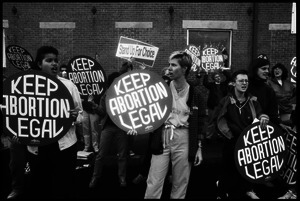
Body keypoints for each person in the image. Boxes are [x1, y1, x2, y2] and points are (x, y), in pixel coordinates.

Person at [144, 50, 205, 199]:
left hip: (184, 137)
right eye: (169, 65)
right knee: (154, 180)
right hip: (163, 136)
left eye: (173, 65)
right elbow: (147, 111)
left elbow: (201, 122)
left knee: (180, 182)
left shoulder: (196, 93)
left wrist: (199, 148)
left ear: (184, 69)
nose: (169, 68)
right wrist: (137, 126)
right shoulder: (161, 88)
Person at [27, 46, 83, 199]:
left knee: (62, 186)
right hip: (37, 147)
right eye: (49, 60)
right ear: (39, 64)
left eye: (56, 61)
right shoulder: (27, 86)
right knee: (41, 186)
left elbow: (81, 115)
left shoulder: (69, 86)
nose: (54, 64)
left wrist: (74, 117)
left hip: (64, 147)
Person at [214, 69, 269, 199]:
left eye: (246, 81)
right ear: (234, 83)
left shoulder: (253, 100)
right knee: (228, 168)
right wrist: (228, 135)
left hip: (248, 142)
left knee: (248, 167)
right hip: (231, 141)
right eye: (241, 81)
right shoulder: (226, 100)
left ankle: (248, 189)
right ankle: (222, 192)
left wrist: (263, 117)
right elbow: (218, 119)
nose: (244, 83)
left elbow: (261, 113)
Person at [89, 61, 133, 189]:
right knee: (101, 154)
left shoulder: (126, 93)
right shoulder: (106, 95)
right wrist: (95, 106)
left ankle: (122, 179)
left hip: (121, 128)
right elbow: (102, 112)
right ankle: (95, 177)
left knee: (122, 155)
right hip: (108, 127)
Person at [203, 68, 231, 141]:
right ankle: (208, 136)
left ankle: (221, 135)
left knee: (222, 121)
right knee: (211, 121)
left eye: (218, 76)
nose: (218, 78)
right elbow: (205, 83)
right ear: (214, 79)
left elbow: (229, 78)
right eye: (216, 77)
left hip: (222, 107)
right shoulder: (211, 85)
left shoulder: (224, 84)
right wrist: (206, 74)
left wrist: (223, 71)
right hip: (213, 107)